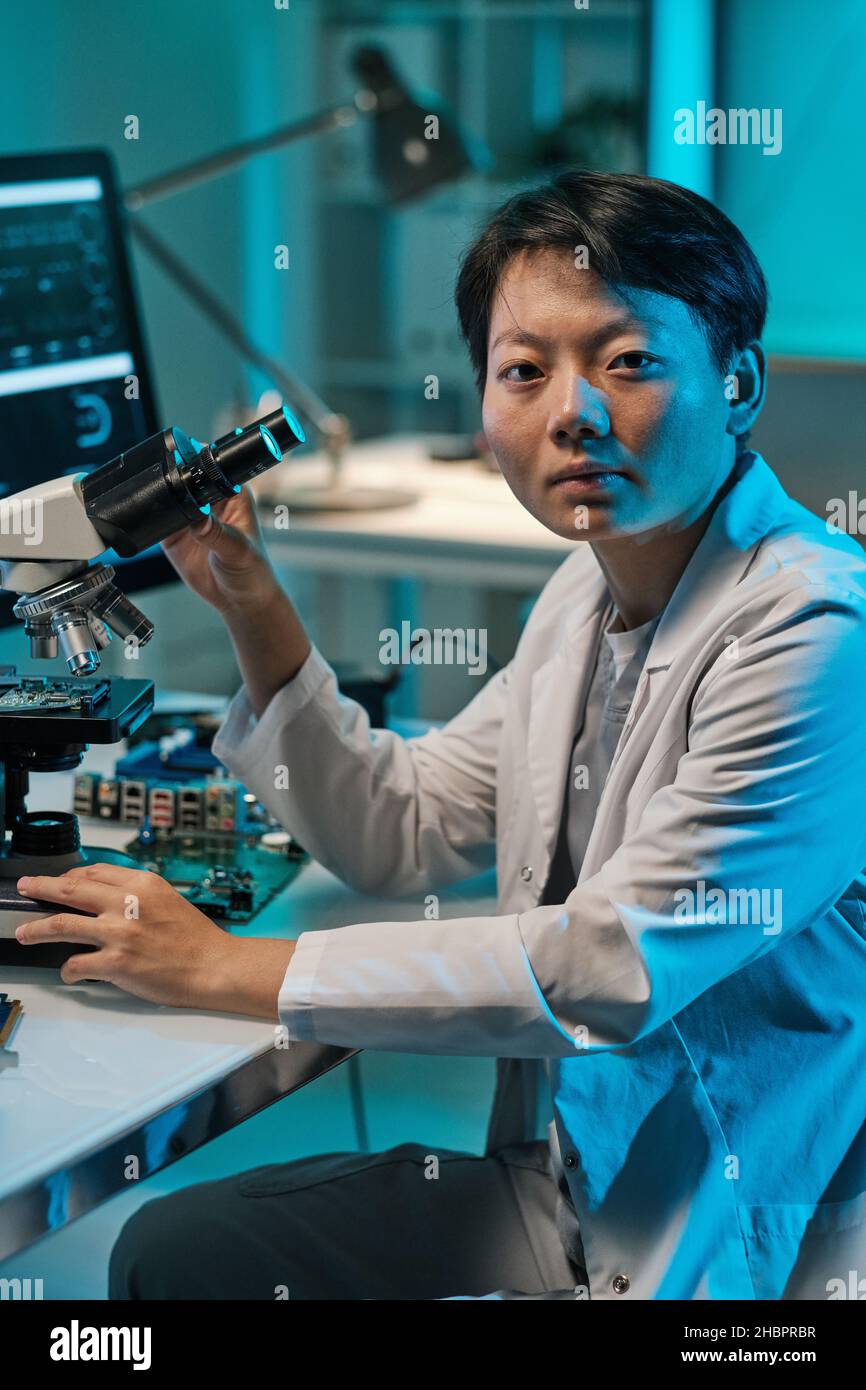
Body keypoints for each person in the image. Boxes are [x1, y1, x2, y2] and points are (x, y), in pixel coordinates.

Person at [16, 172, 866, 1301]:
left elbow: (609, 967)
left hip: (737, 1238)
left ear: (737, 380)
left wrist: (224, 966)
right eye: (523, 371)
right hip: (572, 1183)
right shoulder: (582, 593)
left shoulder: (818, 630)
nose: (572, 411)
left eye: (627, 361)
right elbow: (404, 831)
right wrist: (250, 602)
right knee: (174, 1256)